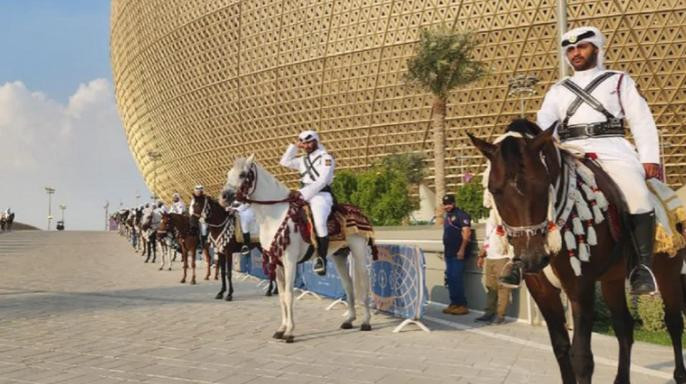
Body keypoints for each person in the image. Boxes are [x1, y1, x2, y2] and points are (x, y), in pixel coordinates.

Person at [499, 26, 660, 295]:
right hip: (568, 150)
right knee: (521, 192)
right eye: (570, 49)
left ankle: (641, 268)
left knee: (638, 196)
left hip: (611, 149)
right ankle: (514, 259)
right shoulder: (558, 90)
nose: (576, 53)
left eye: (582, 47)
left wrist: (649, 158)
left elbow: (641, 120)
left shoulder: (619, 80)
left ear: (596, 48)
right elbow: (544, 126)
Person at [279, 130, 335, 276]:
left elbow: (323, 181)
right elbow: (284, 162)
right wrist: (294, 146)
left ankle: (321, 259)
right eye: (304, 143)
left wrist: (304, 194)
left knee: (319, 223)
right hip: (303, 194)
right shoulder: (302, 160)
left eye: (309, 142)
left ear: (316, 141)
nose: (306, 145)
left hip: (320, 195)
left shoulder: (326, 158)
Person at [475, 210, 513, 324]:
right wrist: (482, 255)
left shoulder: (508, 217)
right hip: (490, 257)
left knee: (503, 287)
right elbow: (487, 238)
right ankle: (489, 312)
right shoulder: (490, 220)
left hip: (503, 257)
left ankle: (500, 315)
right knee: (491, 287)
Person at [441, 194, 472, 315]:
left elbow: (466, 233)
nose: (447, 206)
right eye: (445, 204)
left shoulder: (461, 215)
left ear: (454, 203)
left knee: (457, 278)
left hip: (458, 252)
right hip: (449, 252)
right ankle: (454, 303)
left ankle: (462, 304)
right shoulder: (447, 216)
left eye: (449, 204)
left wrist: (462, 250)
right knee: (450, 278)